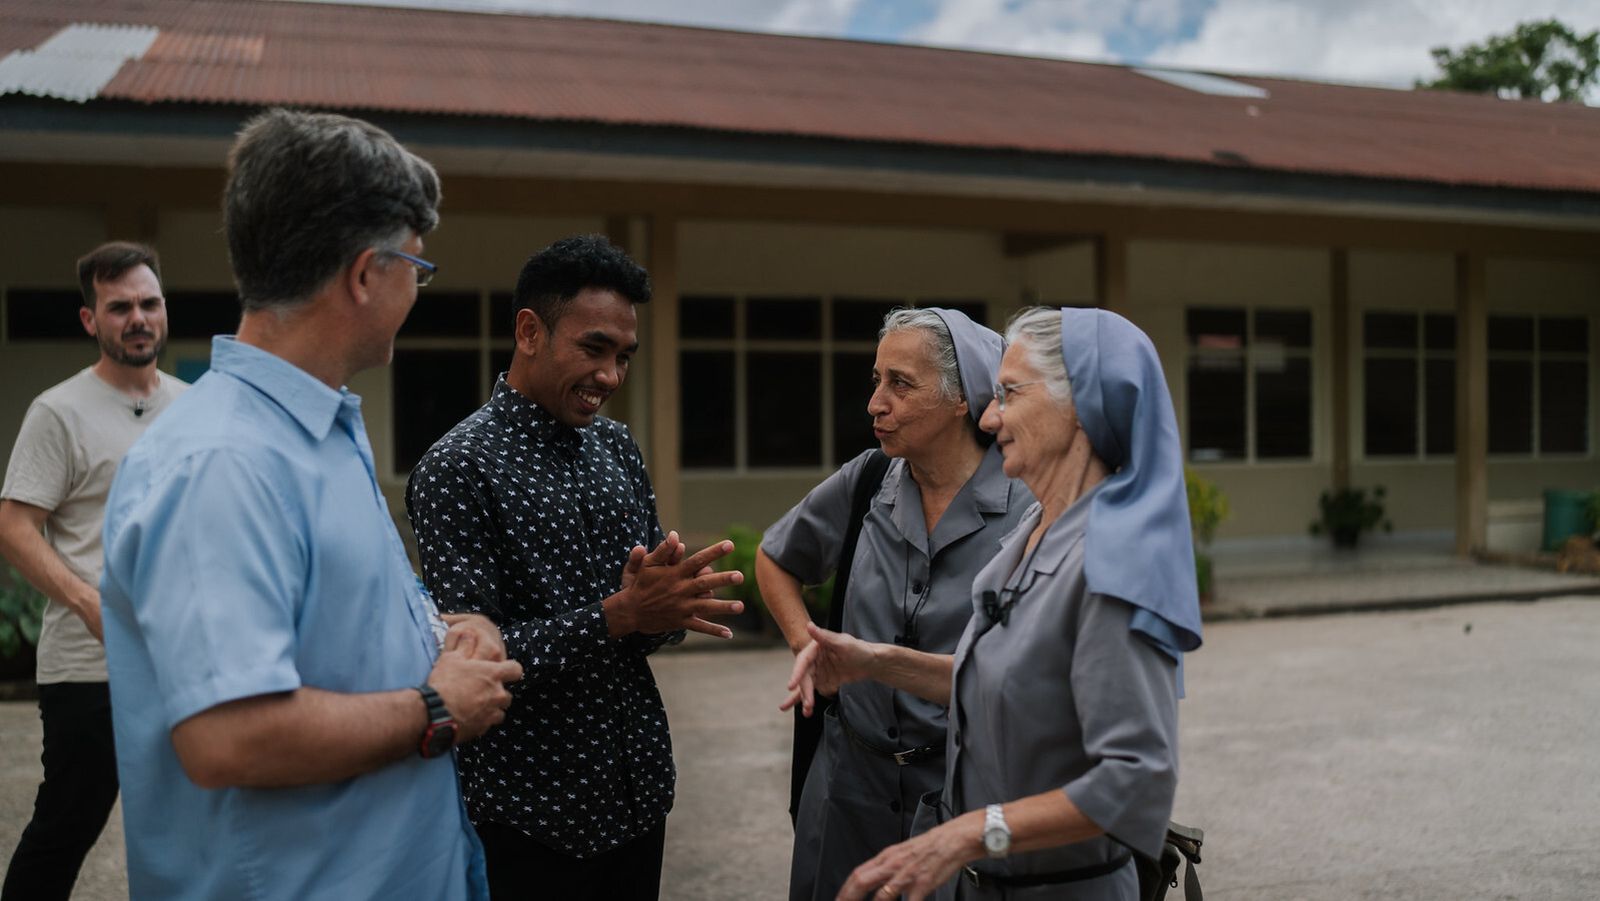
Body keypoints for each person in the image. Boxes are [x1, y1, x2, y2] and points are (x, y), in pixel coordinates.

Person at [99, 108, 523, 901]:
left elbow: (319, 620)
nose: (416, 291)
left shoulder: (314, 429)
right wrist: (437, 705)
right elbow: (229, 735)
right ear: (366, 274)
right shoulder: (222, 462)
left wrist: (440, 632)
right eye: (415, 270)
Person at [785, 306, 1204, 900]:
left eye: (1008, 392)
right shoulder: (1035, 531)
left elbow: (1135, 787)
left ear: (1078, 407)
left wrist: (971, 836)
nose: (987, 415)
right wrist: (876, 662)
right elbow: (1004, 686)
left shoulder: (1113, 563)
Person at [405, 234, 746, 901]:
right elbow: (472, 661)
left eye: (623, 356)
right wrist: (617, 616)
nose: (612, 377)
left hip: (636, 788)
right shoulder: (457, 469)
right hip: (525, 812)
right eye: (594, 349)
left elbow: (646, 625)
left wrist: (670, 609)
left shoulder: (618, 449)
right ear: (529, 331)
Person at [757, 308, 1032, 901]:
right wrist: (810, 647)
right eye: (876, 381)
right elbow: (776, 558)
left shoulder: (1028, 506)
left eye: (900, 384)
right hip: (847, 787)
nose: (875, 403)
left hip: (965, 790)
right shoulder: (868, 482)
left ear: (964, 400)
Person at [0, 242, 186, 901]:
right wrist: (85, 601)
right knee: (66, 828)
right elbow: (14, 525)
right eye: (119, 307)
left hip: (181, 660)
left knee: (187, 835)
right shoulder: (58, 411)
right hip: (89, 666)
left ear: (164, 309)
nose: (137, 318)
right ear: (91, 320)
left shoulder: (193, 406)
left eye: (148, 302)